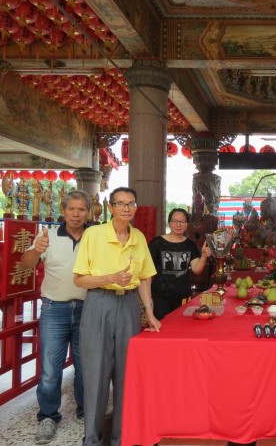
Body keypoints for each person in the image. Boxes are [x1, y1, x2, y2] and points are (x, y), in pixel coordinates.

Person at [73, 186, 160, 446]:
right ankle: (92, 439)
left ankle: (122, 437)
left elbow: (144, 277)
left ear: (136, 207)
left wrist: (149, 312)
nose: (126, 208)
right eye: (120, 203)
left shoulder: (139, 238)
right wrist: (111, 278)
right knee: (96, 375)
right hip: (98, 302)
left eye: (130, 204)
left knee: (126, 375)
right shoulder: (93, 234)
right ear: (110, 207)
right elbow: (80, 279)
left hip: (129, 307)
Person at [19, 190, 91, 445]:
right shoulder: (47, 236)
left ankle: (86, 412)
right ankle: (48, 416)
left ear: (88, 212)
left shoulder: (94, 237)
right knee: (50, 368)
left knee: (86, 366)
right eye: (71, 208)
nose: (75, 213)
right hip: (54, 309)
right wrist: (36, 250)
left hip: (87, 309)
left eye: (81, 209)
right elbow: (26, 265)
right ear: (63, 210)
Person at [148, 208, 212, 320]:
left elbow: (197, 270)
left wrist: (204, 257)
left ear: (187, 224)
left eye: (182, 222)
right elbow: (147, 272)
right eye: (175, 221)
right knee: (163, 328)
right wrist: (148, 298)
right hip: (160, 296)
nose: (178, 225)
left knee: (181, 327)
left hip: (183, 296)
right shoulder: (156, 243)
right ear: (169, 223)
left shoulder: (190, 245)